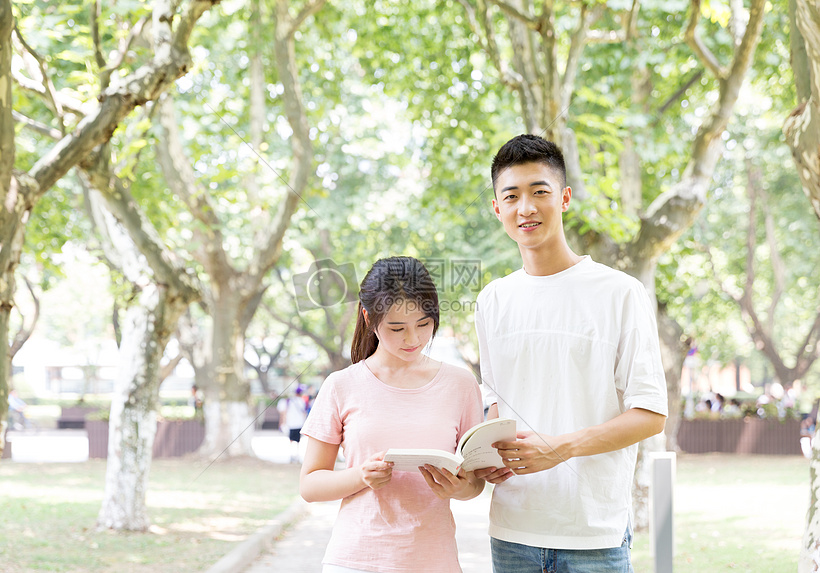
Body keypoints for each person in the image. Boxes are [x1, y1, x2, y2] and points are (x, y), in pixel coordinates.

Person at [472, 134, 669, 572]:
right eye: (512, 196)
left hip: (593, 535)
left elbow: (651, 412)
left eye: (539, 192)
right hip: (511, 531)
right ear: (497, 208)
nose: (526, 207)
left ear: (563, 198)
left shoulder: (620, 293)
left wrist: (560, 448)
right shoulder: (492, 300)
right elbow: (494, 400)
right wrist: (485, 455)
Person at [300, 256, 485, 573]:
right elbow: (310, 486)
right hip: (356, 561)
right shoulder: (342, 385)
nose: (412, 340)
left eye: (424, 325)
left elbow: (475, 482)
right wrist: (362, 476)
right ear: (368, 317)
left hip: (434, 561)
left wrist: (460, 488)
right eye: (397, 328)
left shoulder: (461, 384)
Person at [278, 386, 308, 462]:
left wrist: (282, 422)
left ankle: (292, 455)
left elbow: (284, 412)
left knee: (291, 440)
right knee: (298, 441)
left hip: (291, 423)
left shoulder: (289, 401)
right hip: (299, 423)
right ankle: (296, 455)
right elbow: (304, 413)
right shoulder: (302, 401)